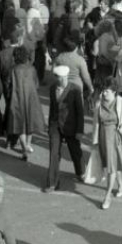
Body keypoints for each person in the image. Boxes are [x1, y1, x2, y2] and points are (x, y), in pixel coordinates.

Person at [91, 76, 122, 209]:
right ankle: (121, 183)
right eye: (103, 90)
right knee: (112, 165)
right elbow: (96, 123)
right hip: (103, 136)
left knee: (111, 167)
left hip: (115, 138)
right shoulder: (99, 104)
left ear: (114, 92)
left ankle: (107, 195)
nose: (104, 93)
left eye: (107, 91)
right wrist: (94, 140)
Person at [44, 65, 85, 193]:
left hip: (71, 126)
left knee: (75, 151)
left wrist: (79, 131)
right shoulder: (52, 89)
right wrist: (50, 126)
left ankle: (81, 172)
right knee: (54, 153)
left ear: (66, 76)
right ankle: (52, 182)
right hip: (55, 125)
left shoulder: (75, 90)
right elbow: (52, 108)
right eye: (58, 78)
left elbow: (80, 112)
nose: (60, 81)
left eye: (62, 78)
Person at [6, 46, 45, 159]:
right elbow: (36, 84)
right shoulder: (32, 69)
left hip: (17, 99)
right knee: (30, 122)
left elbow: (8, 84)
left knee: (19, 125)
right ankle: (28, 144)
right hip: (31, 98)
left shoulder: (13, 69)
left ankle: (24, 150)